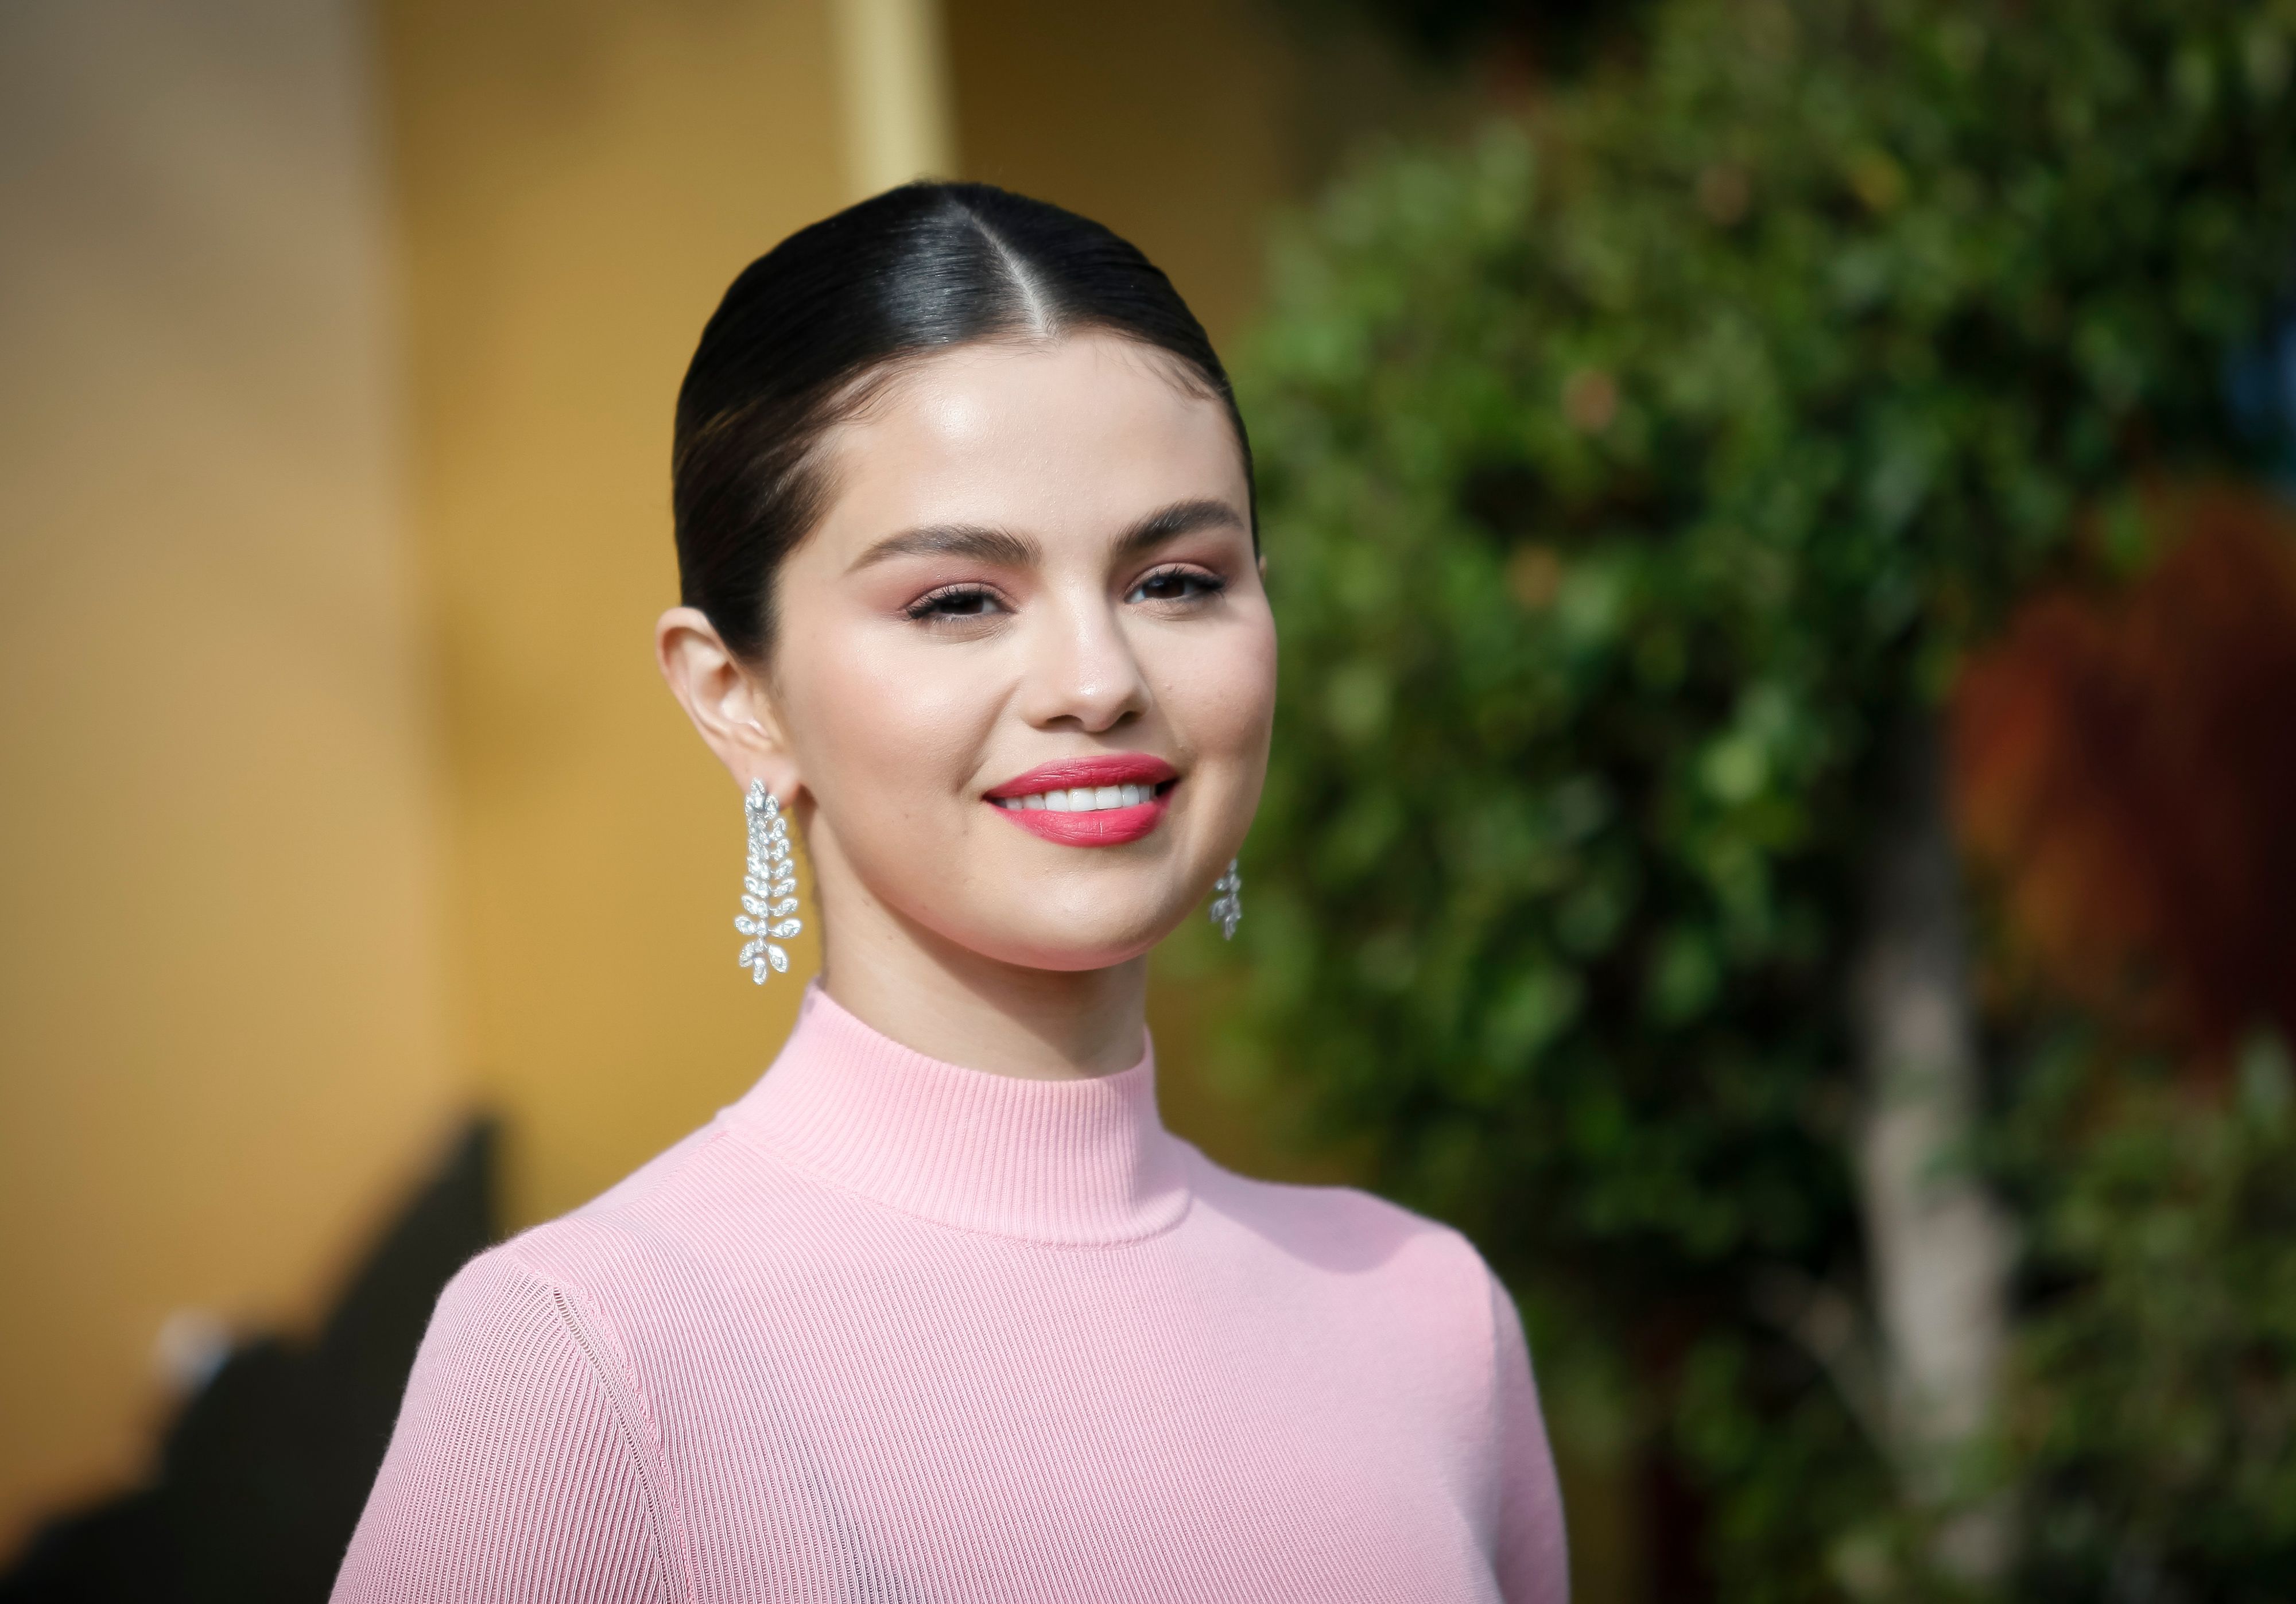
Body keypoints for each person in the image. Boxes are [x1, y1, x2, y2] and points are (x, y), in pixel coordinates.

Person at [332, 182, 1567, 1603]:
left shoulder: (1427, 1324)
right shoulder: (591, 1359)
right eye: (959, 601)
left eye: (1174, 580)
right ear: (736, 696)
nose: (1098, 680)